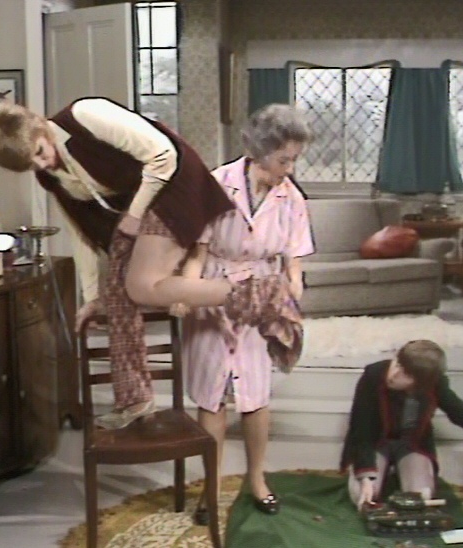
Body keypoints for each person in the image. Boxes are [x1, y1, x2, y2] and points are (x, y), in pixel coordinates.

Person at [0, 97, 239, 429]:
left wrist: (134, 214)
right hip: (138, 212)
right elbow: (81, 231)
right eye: (32, 165)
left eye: (40, 152)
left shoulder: (87, 115)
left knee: (140, 285)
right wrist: (92, 296)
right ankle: (135, 399)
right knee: (116, 296)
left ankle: (249, 292)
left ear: (39, 125)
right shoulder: (51, 177)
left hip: (177, 185)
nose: (43, 165)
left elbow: (164, 155)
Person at [175, 104, 314, 521]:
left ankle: (257, 479)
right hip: (214, 293)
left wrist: (293, 285)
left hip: (260, 298)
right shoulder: (217, 185)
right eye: (284, 159)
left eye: (294, 160)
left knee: (255, 395)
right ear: (259, 152)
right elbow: (197, 253)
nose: (289, 169)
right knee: (212, 396)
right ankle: (211, 489)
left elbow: (294, 258)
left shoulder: (291, 198)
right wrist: (186, 291)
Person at [340, 339, 463, 510]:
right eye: (397, 363)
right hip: (375, 443)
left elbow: (462, 414)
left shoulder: (434, 384)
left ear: (421, 382)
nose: (394, 374)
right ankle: (382, 474)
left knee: (420, 497)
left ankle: (400, 473)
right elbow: (361, 430)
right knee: (362, 495)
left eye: (406, 374)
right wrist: (366, 477)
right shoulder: (373, 375)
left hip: (412, 444)